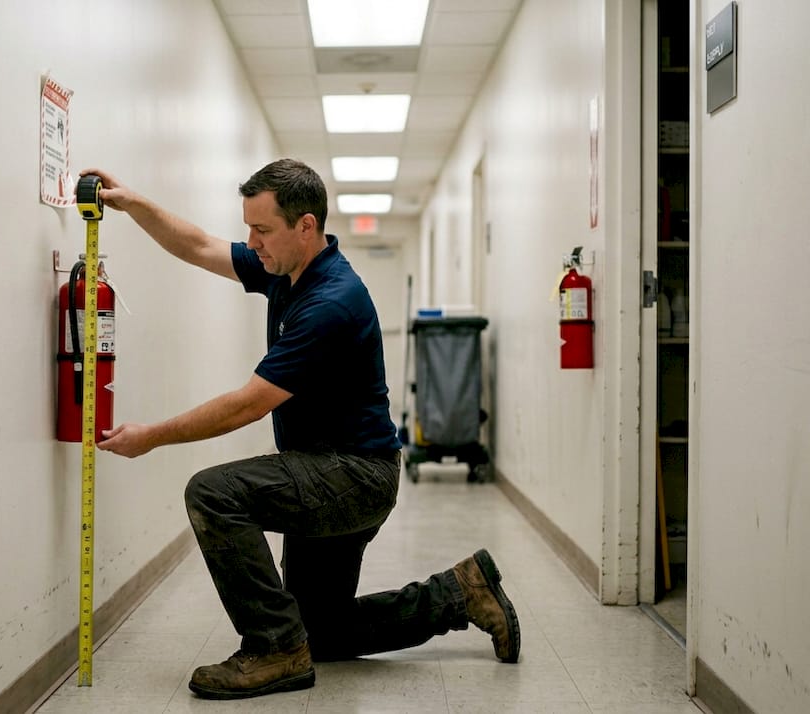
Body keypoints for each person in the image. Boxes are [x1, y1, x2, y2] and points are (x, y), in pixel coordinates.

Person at [80, 159, 521, 700]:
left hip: (354, 475)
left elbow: (248, 405)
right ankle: (461, 592)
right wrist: (133, 202)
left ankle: (273, 650)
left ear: (305, 226)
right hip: (330, 468)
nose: (251, 242)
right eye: (249, 228)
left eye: (261, 231)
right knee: (324, 631)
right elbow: (197, 246)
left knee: (213, 493)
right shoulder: (284, 268)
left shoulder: (330, 302)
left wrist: (152, 436)